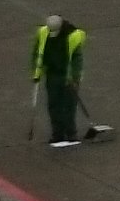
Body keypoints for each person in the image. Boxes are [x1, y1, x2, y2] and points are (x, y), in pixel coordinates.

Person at [29, 14, 109, 147]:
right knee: (54, 105)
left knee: (68, 106)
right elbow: (37, 53)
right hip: (52, 75)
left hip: (68, 76)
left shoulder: (73, 36)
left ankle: (71, 134)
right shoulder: (43, 33)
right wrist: (36, 72)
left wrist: (74, 78)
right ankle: (57, 134)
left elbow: (77, 59)